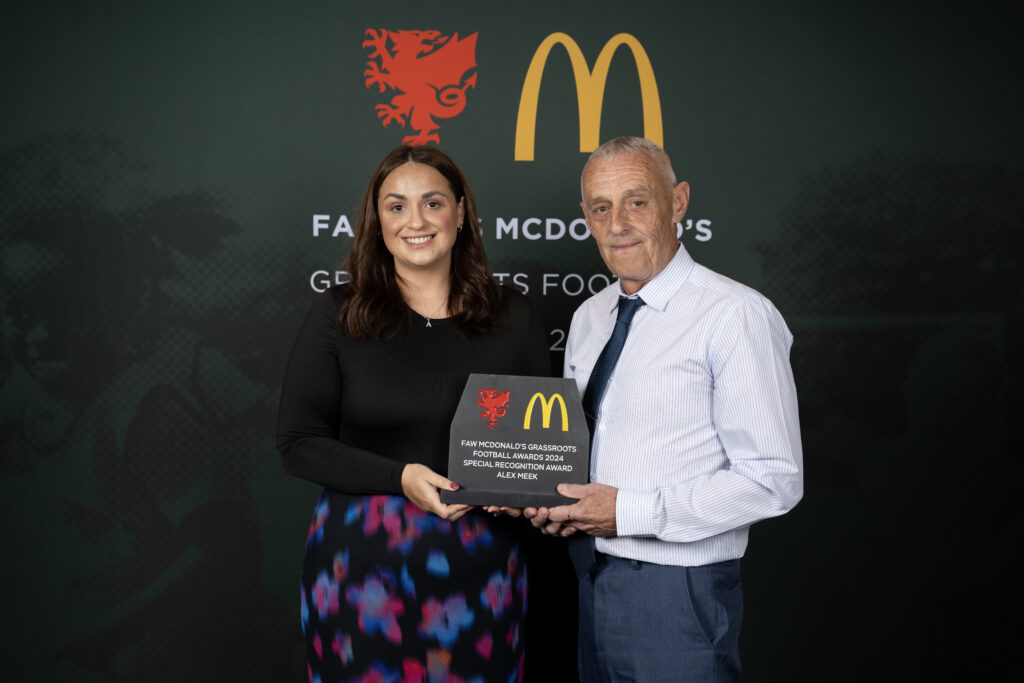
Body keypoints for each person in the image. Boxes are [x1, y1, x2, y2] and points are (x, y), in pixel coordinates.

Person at [524, 136, 803, 682]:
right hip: (587, 575)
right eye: (601, 208)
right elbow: (583, 449)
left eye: (637, 201)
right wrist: (547, 499)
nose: (618, 223)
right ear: (585, 217)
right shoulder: (590, 317)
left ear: (677, 202)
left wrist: (628, 513)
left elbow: (774, 480)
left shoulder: (736, 316)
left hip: (679, 592)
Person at [276, 145, 550, 682]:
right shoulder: (338, 313)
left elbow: (539, 456)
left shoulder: (513, 315)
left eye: (432, 202)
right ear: (377, 222)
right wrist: (399, 477)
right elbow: (298, 442)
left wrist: (520, 494)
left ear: (461, 211)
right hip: (362, 570)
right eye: (396, 206)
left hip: (483, 566)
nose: (416, 221)